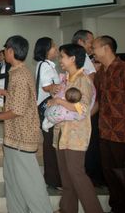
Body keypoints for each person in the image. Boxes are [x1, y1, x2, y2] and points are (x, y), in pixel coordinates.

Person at [0, 35, 53, 213]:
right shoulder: (17, 72)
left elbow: (19, 110)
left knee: (31, 184)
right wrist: (6, 93)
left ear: (10, 51)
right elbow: (20, 99)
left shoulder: (20, 75)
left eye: (6, 49)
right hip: (14, 138)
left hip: (22, 138)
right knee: (13, 181)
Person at [48, 43, 103, 213]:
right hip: (62, 134)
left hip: (76, 136)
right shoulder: (66, 78)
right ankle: (67, 209)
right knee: (67, 179)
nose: (60, 59)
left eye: (63, 56)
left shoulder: (83, 80)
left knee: (77, 175)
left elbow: (83, 108)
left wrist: (59, 101)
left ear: (72, 59)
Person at [93, 35, 125, 212]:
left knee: (122, 173)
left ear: (106, 48)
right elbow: (98, 102)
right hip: (105, 131)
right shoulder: (100, 74)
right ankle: (116, 207)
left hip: (122, 134)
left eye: (95, 48)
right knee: (110, 173)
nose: (92, 51)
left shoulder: (122, 69)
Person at [72, 29, 105, 187]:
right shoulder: (83, 59)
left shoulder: (85, 60)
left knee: (92, 147)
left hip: (88, 110)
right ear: (81, 42)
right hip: (86, 110)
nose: (92, 47)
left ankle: (92, 178)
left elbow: (89, 88)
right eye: (90, 43)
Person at [33, 37, 62, 190]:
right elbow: (46, 87)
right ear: (45, 49)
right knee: (51, 143)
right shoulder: (45, 65)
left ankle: (52, 178)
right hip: (47, 108)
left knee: (50, 142)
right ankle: (53, 179)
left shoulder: (44, 64)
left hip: (45, 107)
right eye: (53, 46)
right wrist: (63, 85)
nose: (56, 49)